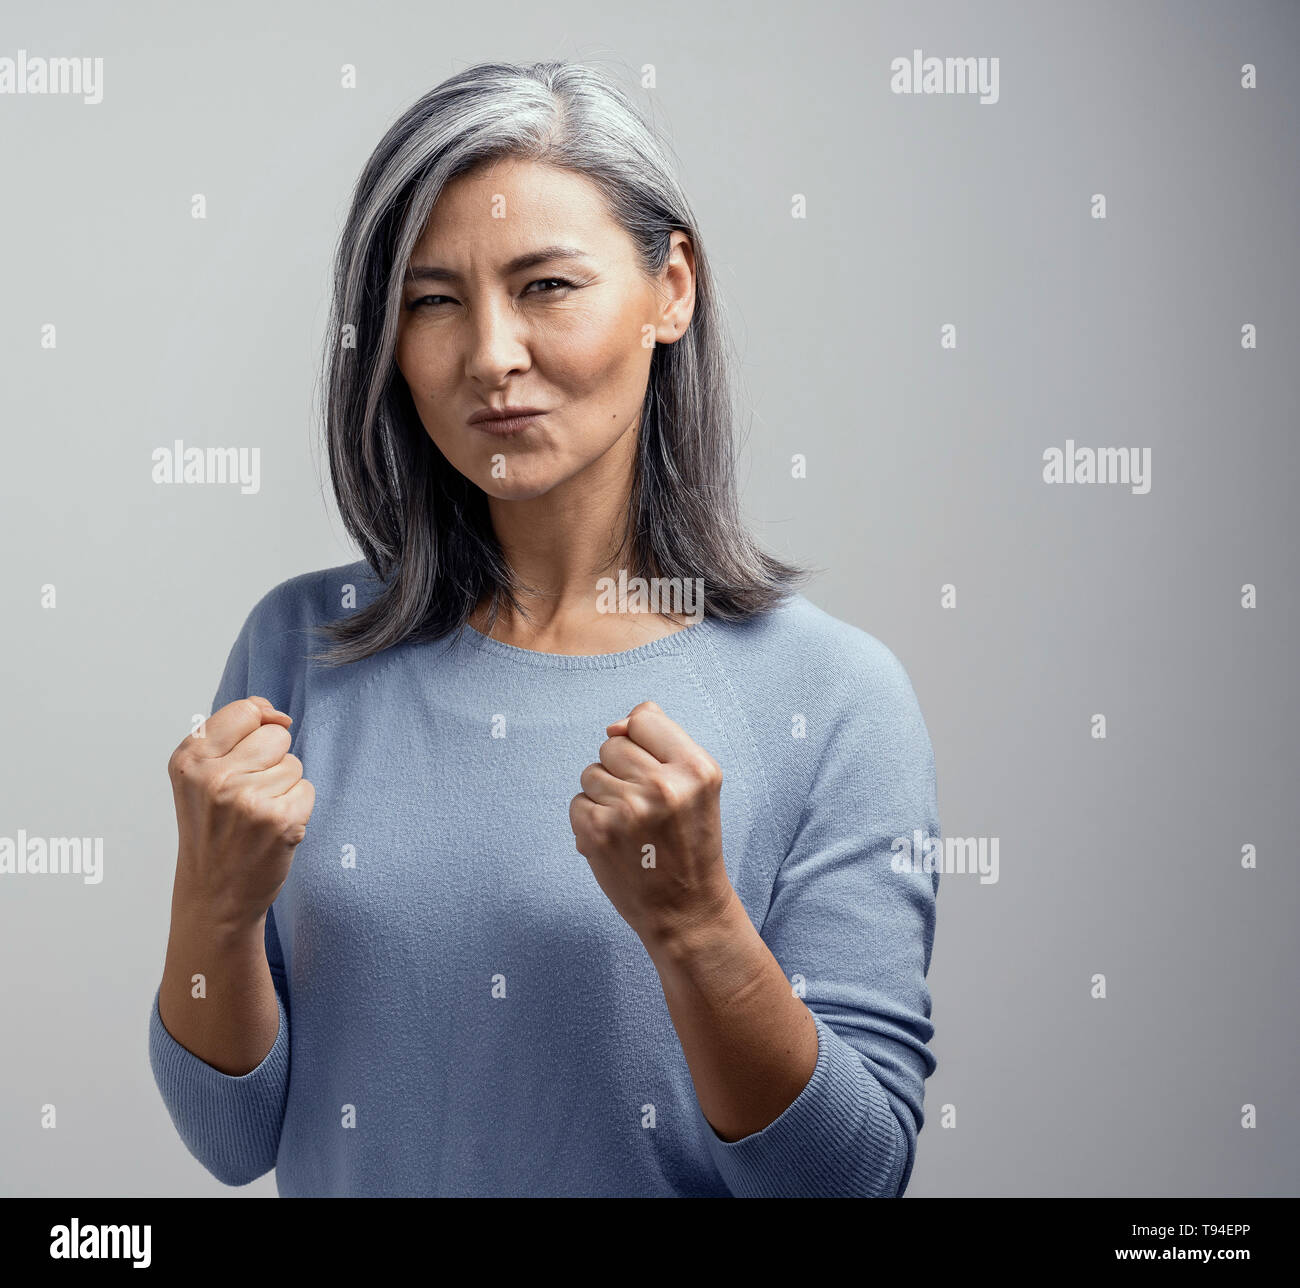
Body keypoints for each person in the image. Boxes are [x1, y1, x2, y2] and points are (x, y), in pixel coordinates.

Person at [149, 59, 941, 1198]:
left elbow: (848, 1180)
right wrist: (210, 909)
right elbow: (231, 1138)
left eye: (546, 286)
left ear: (671, 288)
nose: (489, 354)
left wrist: (701, 930)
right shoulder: (303, 647)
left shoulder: (838, 696)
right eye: (433, 301)